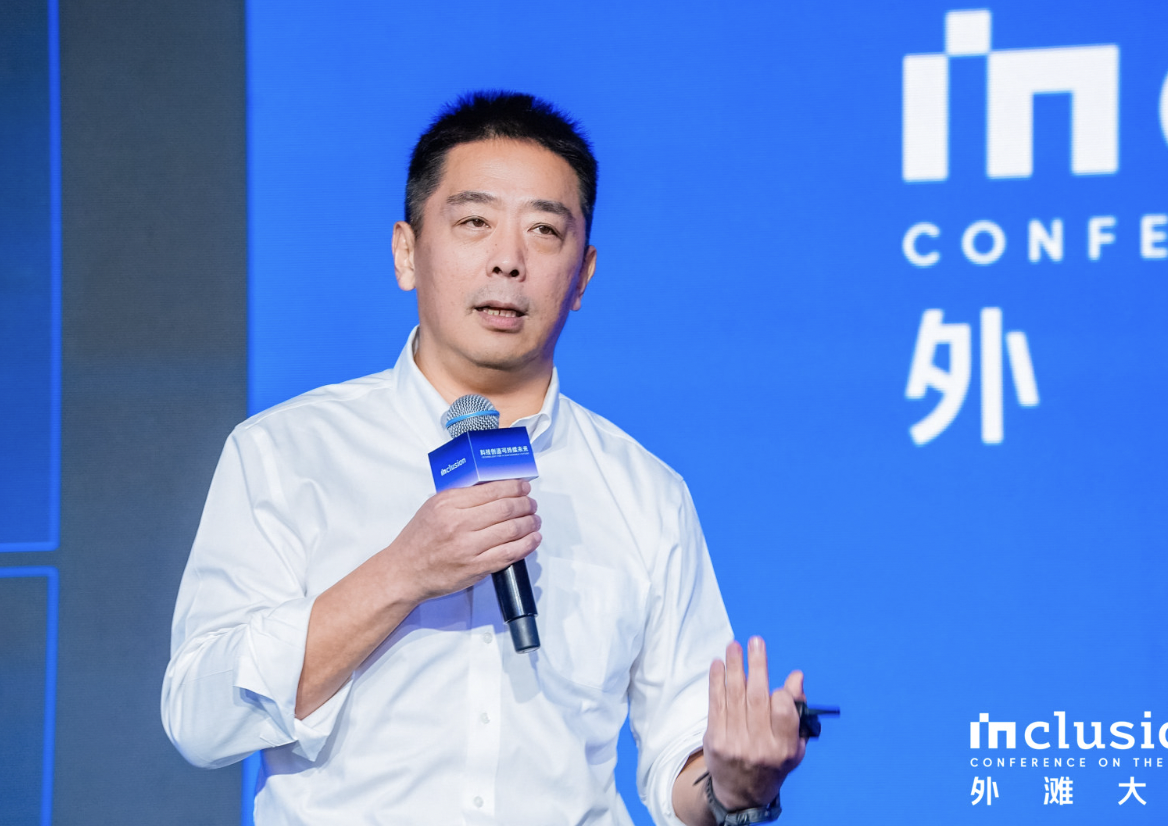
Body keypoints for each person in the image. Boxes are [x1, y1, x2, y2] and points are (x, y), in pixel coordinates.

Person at [162, 91, 807, 826]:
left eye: (543, 231)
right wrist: (402, 573)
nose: (507, 261)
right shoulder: (285, 452)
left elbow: (681, 766)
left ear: (583, 275)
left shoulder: (644, 492)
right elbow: (200, 720)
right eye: (474, 223)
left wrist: (735, 785)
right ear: (407, 252)